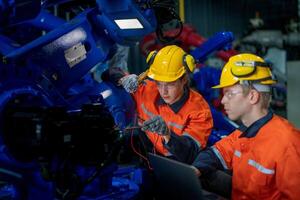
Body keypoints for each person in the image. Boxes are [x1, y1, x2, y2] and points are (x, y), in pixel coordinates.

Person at [192, 53, 300, 199]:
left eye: (229, 94)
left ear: (253, 96)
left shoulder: (287, 144)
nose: (223, 100)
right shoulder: (244, 132)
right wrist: (195, 169)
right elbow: (217, 153)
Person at [119, 45, 213, 164]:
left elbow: (190, 153)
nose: (163, 91)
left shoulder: (199, 111)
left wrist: (167, 135)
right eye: (159, 83)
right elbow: (111, 71)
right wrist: (124, 79)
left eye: (170, 84)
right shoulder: (147, 90)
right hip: (148, 155)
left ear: (184, 79)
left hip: (178, 164)